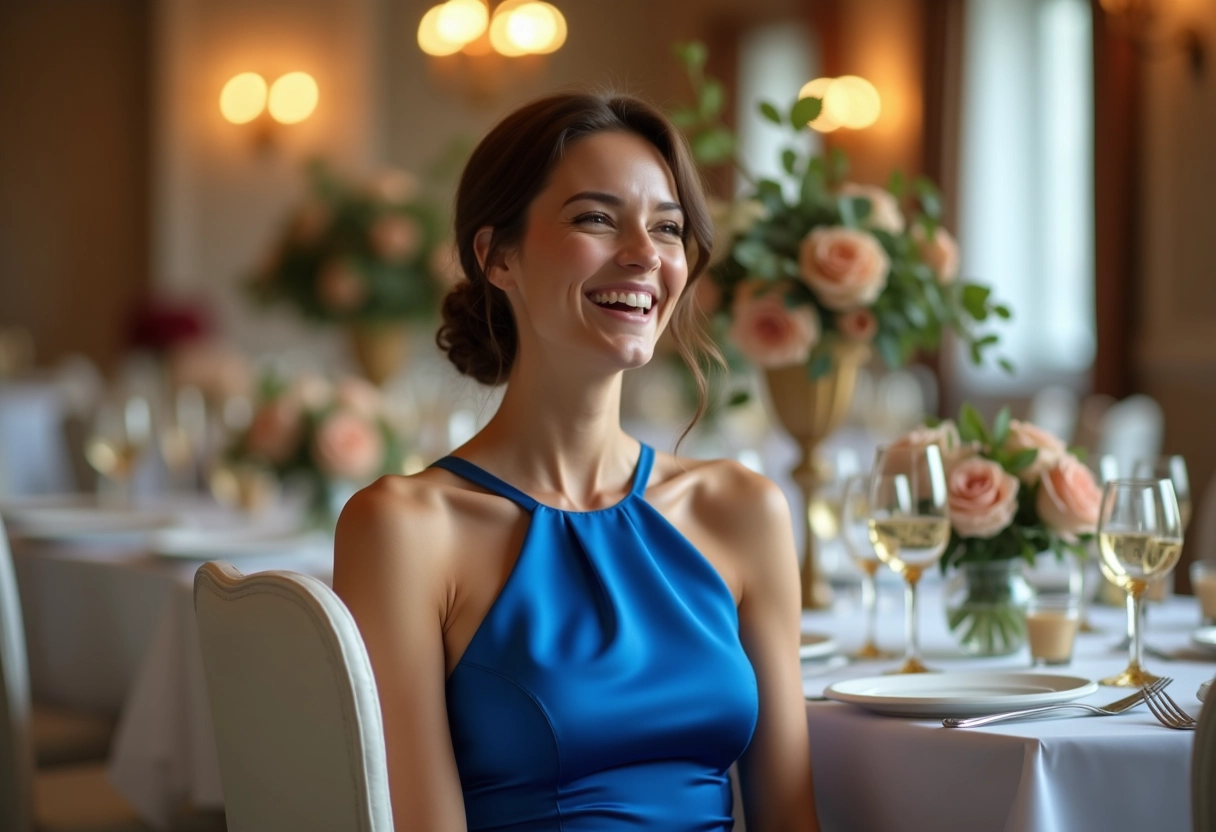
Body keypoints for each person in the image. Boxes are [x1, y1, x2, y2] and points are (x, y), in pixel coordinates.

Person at [334, 91, 818, 832]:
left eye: (668, 228)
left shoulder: (743, 509)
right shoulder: (404, 527)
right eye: (595, 219)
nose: (645, 255)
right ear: (497, 257)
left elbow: (791, 816)